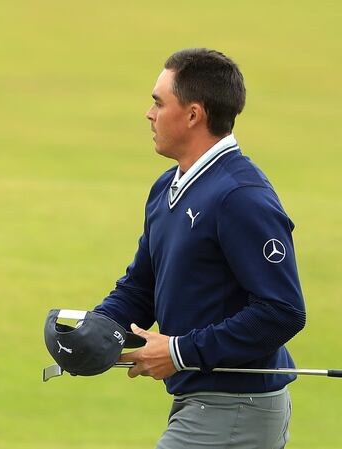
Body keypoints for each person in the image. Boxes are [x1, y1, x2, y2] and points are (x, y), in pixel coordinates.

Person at [91, 48, 306, 448]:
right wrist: (99, 329)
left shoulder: (240, 197)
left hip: (239, 408)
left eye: (158, 102)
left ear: (193, 115)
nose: (149, 114)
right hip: (202, 403)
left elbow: (283, 312)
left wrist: (180, 351)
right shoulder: (166, 188)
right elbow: (142, 285)